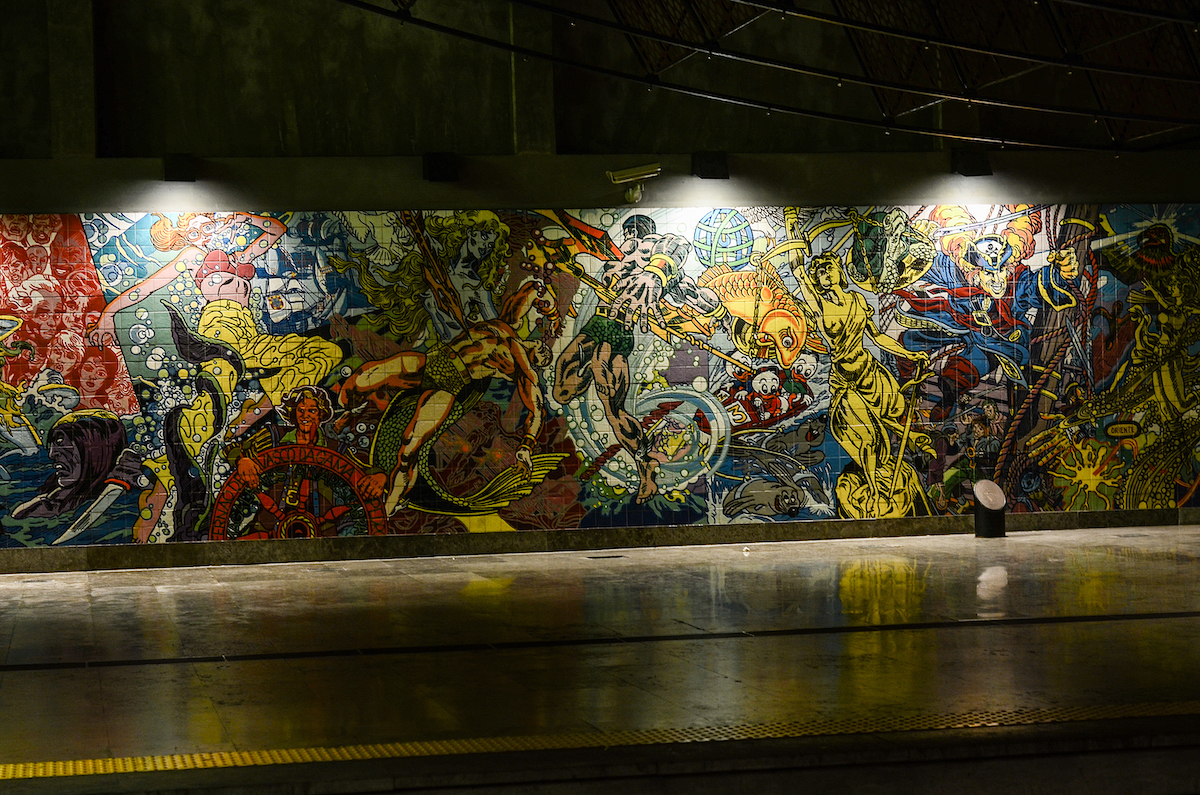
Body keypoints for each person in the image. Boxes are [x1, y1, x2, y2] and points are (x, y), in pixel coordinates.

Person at [339, 280, 555, 516]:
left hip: (450, 386)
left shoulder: (521, 368)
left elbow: (536, 409)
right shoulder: (506, 325)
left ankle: (392, 502)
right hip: (433, 362)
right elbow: (529, 291)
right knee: (364, 378)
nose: (541, 351)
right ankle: (352, 408)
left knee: (410, 445)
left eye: (541, 357)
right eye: (541, 347)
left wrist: (526, 446)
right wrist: (549, 306)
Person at [553, 214, 722, 503]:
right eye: (628, 229)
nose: (630, 234)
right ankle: (593, 376)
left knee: (613, 409)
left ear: (646, 233)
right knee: (562, 387)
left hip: (618, 331)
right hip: (595, 324)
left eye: (636, 230)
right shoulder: (617, 255)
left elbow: (678, 246)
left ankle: (646, 470)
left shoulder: (651, 250)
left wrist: (657, 272)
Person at [793, 251, 933, 519]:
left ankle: (904, 449)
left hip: (870, 373)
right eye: (820, 272)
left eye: (830, 268)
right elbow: (799, 273)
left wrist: (909, 355)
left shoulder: (857, 300)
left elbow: (878, 337)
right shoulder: (819, 305)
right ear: (817, 279)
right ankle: (873, 489)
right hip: (845, 382)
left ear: (839, 271)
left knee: (887, 423)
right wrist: (793, 238)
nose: (826, 274)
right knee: (867, 438)